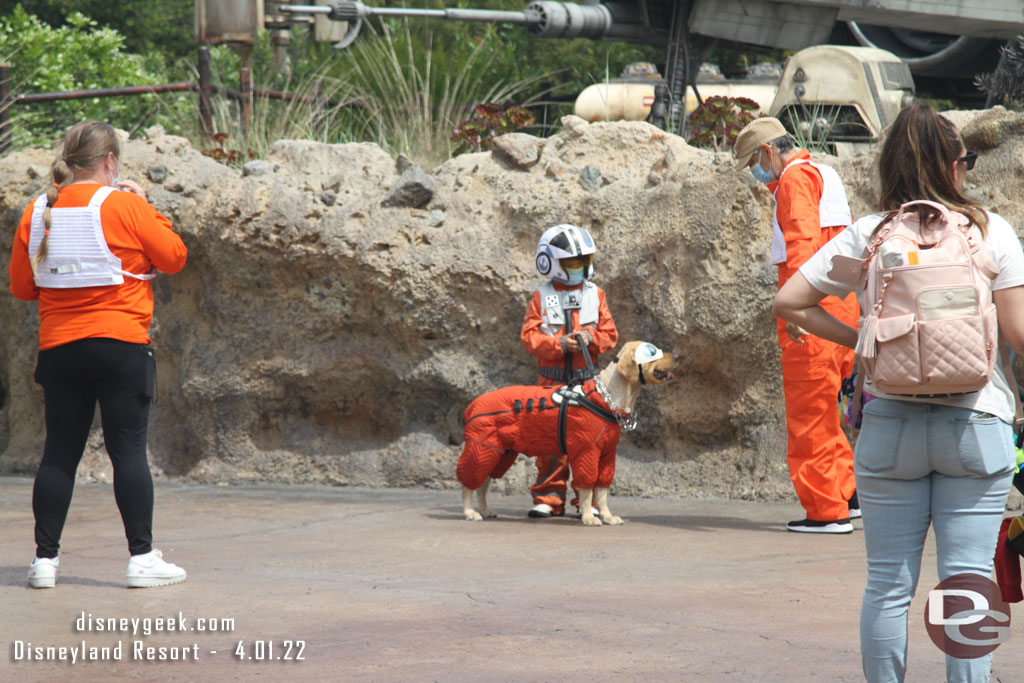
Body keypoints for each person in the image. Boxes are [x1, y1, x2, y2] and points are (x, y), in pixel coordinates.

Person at [773, 102, 1024, 682]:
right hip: (976, 426)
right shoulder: (991, 230)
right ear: (954, 166)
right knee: (964, 581)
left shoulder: (870, 234)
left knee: (888, 585)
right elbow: (1016, 336)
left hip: (889, 429)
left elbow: (789, 302)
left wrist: (863, 339)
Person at [8, 120, 189, 589]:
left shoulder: (38, 210)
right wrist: (147, 207)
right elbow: (173, 258)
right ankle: (141, 557)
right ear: (110, 163)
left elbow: (23, 289)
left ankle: (44, 562)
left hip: (60, 348)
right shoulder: (126, 206)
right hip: (120, 346)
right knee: (127, 451)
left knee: (58, 454)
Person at [734, 117, 860, 533]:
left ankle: (827, 512)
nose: (755, 173)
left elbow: (802, 246)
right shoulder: (823, 173)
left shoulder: (791, 180)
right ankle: (847, 496)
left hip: (814, 317)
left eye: (753, 161)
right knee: (833, 413)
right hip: (841, 313)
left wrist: (794, 311)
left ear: (768, 151)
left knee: (810, 418)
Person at [520, 224, 618, 517]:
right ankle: (548, 498)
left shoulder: (596, 294)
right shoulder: (541, 296)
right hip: (550, 386)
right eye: (572, 263)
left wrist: (591, 339)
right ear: (549, 262)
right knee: (550, 443)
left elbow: (610, 334)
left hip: (587, 386)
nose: (579, 268)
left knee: (588, 444)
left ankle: (585, 503)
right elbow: (529, 337)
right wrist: (559, 344)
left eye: (583, 261)